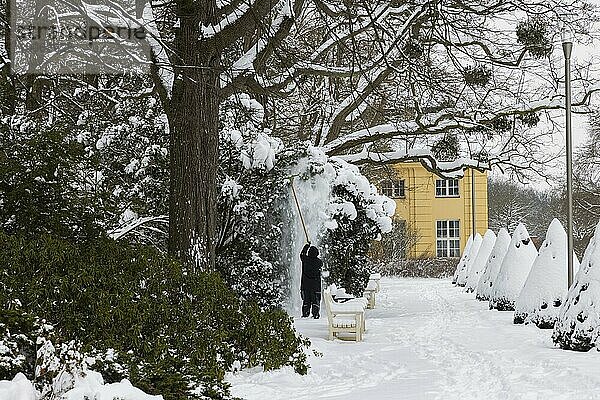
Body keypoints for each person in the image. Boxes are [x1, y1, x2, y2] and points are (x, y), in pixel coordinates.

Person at [300, 242, 322, 319]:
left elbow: (302, 254)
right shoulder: (319, 262)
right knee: (315, 301)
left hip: (305, 285)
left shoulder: (305, 260)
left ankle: (305, 314)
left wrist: (306, 246)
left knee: (306, 301)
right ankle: (315, 314)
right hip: (315, 286)